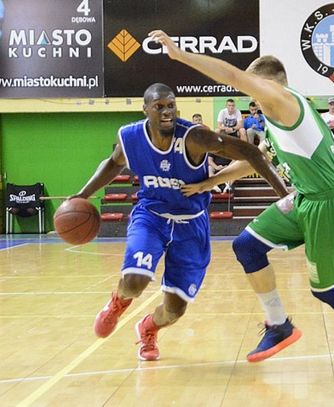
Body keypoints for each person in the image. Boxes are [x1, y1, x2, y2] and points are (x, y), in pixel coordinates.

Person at [150, 30, 334, 363]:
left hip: (332, 204)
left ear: (266, 84)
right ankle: (279, 325)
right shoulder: (277, 119)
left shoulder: (283, 100)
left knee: (324, 289)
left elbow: (233, 76)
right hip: (307, 198)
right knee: (246, 246)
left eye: (253, 86)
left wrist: (180, 55)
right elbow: (257, 158)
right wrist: (211, 182)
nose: (249, 93)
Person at [72, 83, 287, 361]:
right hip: (151, 216)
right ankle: (118, 302)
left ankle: (148, 328)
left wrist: (284, 197)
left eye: (171, 105)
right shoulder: (130, 136)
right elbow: (113, 164)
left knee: (174, 310)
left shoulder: (195, 137)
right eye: (159, 106)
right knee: (135, 281)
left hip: (191, 224)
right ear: (146, 110)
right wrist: (82, 195)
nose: (167, 112)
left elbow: (252, 153)